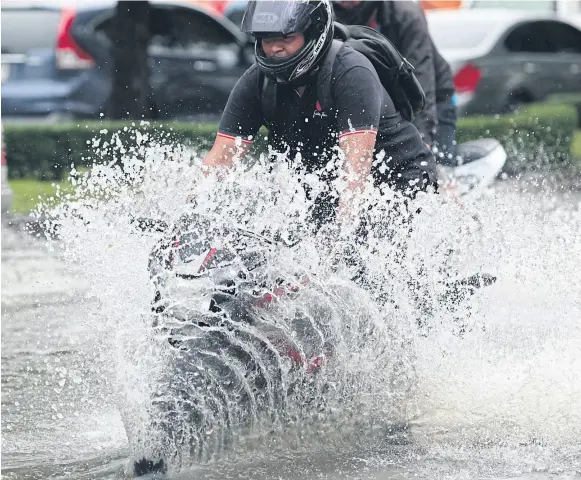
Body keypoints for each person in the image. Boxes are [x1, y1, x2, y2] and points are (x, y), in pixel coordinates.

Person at [198, 0, 437, 234]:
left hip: (398, 181)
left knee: (362, 254)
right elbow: (220, 160)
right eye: (268, 39)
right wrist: (188, 215)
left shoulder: (351, 71)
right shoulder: (256, 81)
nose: (274, 48)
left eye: (286, 38)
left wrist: (333, 248)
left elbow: (355, 174)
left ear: (313, 32)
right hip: (325, 184)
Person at [333, 0, 458, 165]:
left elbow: (422, 78)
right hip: (384, 98)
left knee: (436, 162)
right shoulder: (330, 15)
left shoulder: (407, 15)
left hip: (433, 95)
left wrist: (423, 138)